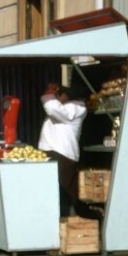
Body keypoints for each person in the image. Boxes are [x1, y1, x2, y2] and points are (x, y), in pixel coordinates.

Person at [38, 83, 88, 216]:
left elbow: (52, 107)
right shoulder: (66, 106)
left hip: (62, 154)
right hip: (51, 151)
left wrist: (48, 94)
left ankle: (72, 217)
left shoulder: (76, 107)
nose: (57, 97)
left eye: (60, 94)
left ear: (68, 96)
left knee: (65, 190)